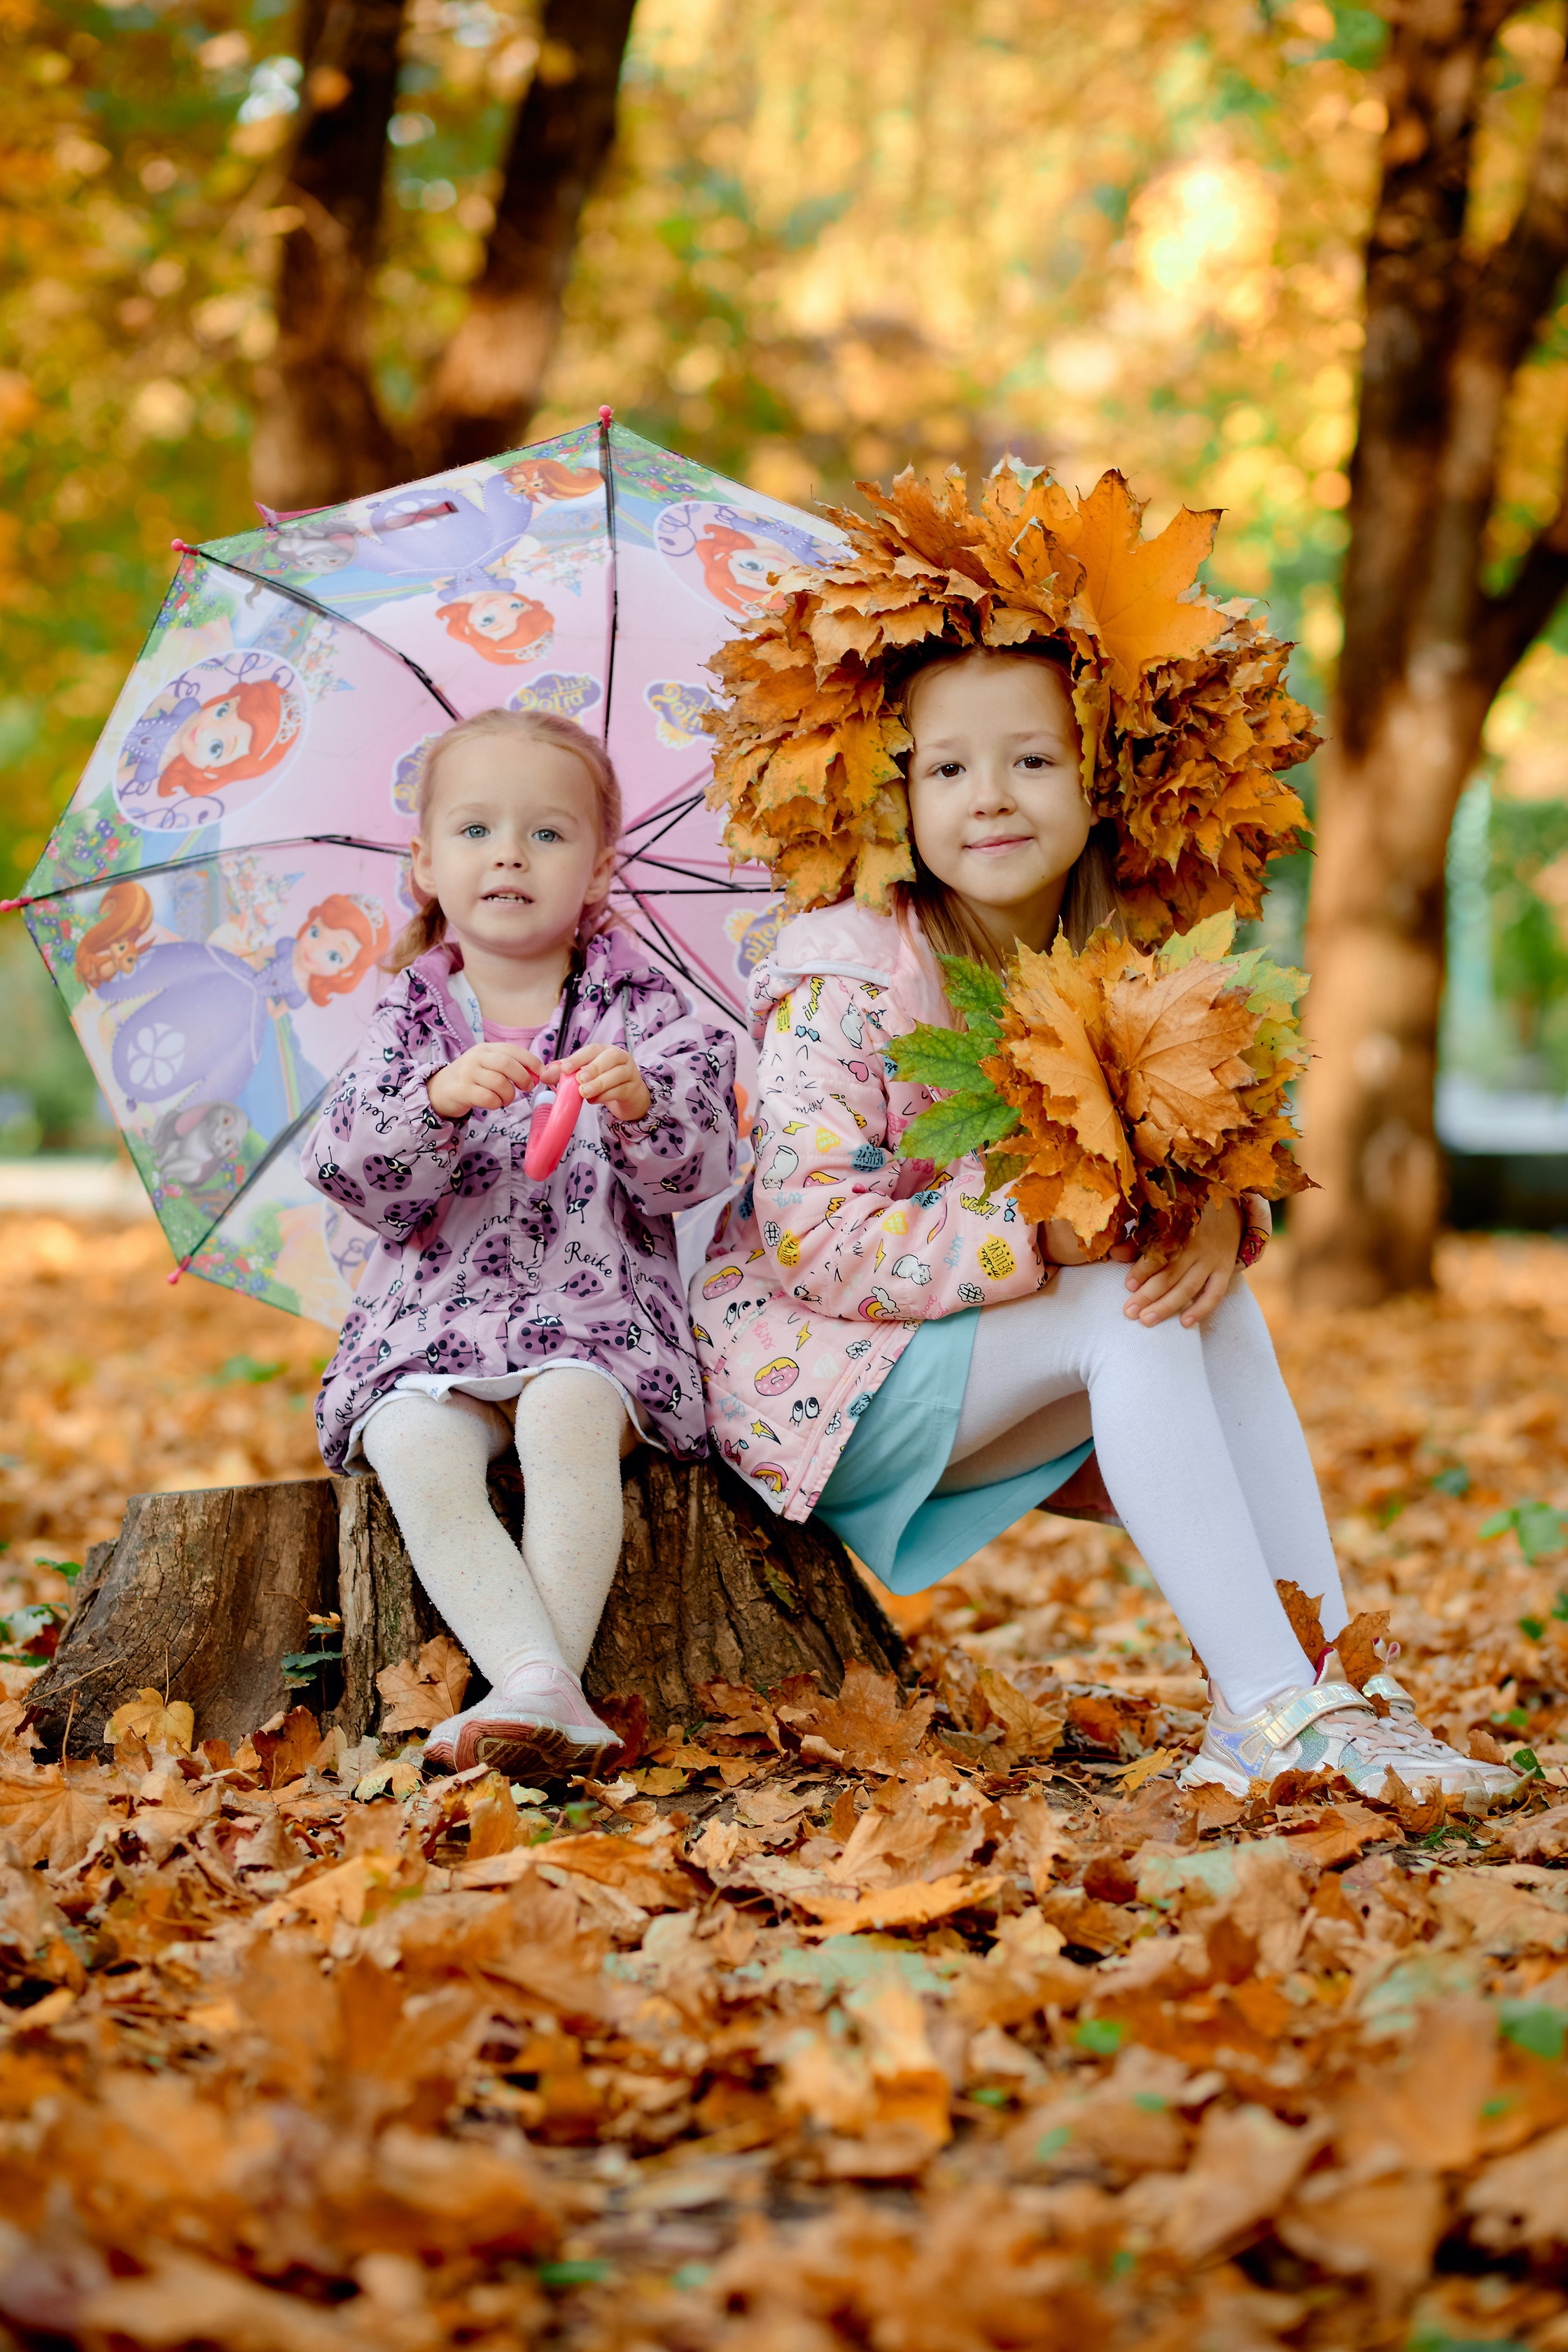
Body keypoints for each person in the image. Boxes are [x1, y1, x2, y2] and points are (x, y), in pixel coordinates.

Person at [698, 491, 1517, 1805]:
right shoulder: (846, 964)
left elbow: (1199, 1146)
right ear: (892, 793)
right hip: (815, 1379)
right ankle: (1266, 1717)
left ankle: (1333, 1684)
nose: (991, 798)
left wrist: (1212, 1220)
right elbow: (812, 1235)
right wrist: (1037, 1236)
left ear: (1100, 774)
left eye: (1031, 759)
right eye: (946, 768)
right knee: (1126, 1317)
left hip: (984, 1348)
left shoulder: (1120, 959)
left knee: (1199, 1303)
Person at [302, 706, 738, 1780]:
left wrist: (640, 1107)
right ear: (426, 863)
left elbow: (702, 1169)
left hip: (596, 1323)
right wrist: (438, 1104)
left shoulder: (648, 1010)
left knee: (568, 1411)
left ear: (598, 871)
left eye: (548, 834)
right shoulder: (409, 1018)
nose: (510, 853)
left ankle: (541, 1688)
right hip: (430, 1329)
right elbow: (351, 1171)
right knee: (409, 1444)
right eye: (477, 830)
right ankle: (540, 1680)